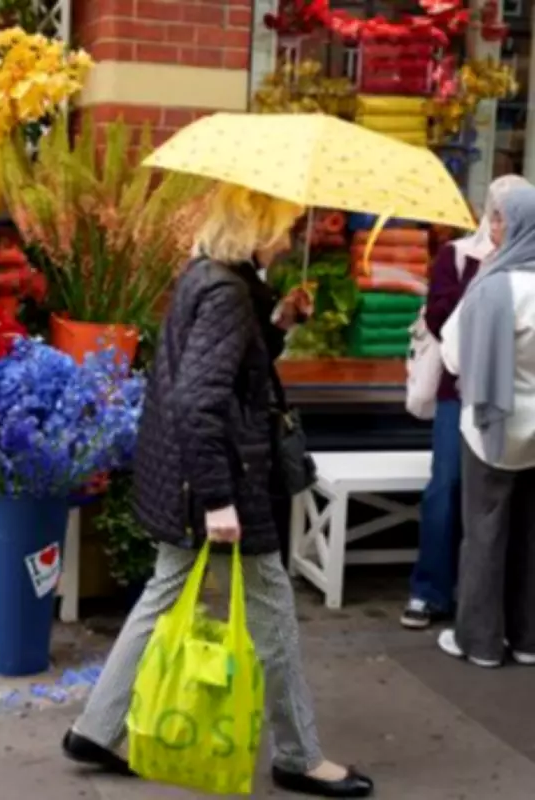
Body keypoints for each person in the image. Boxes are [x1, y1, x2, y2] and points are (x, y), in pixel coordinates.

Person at [62, 184, 374, 798]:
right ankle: (299, 755)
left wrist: (278, 321)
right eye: (283, 226)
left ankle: (96, 728)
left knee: (163, 593)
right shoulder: (228, 294)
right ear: (255, 227)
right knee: (275, 613)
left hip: (184, 474)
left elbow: (226, 373)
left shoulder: (211, 278)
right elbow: (199, 400)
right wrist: (218, 501)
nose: (289, 240)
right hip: (224, 477)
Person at [401, 175, 531, 630]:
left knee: (510, 504)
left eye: (508, 214)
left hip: (517, 399)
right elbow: (439, 317)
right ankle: (430, 590)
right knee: (448, 485)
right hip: (460, 393)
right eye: (494, 213)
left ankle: (496, 607)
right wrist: (486, 288)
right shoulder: (458, 255)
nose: (499, 223)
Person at [437, 184, 535, 668]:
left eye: (498, 219)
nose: (492, 227)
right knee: (530, 533)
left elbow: (454, 356)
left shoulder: (493, 286)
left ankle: (478, 639)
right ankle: (528, 637)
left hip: (491, 426)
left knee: (484, 530)